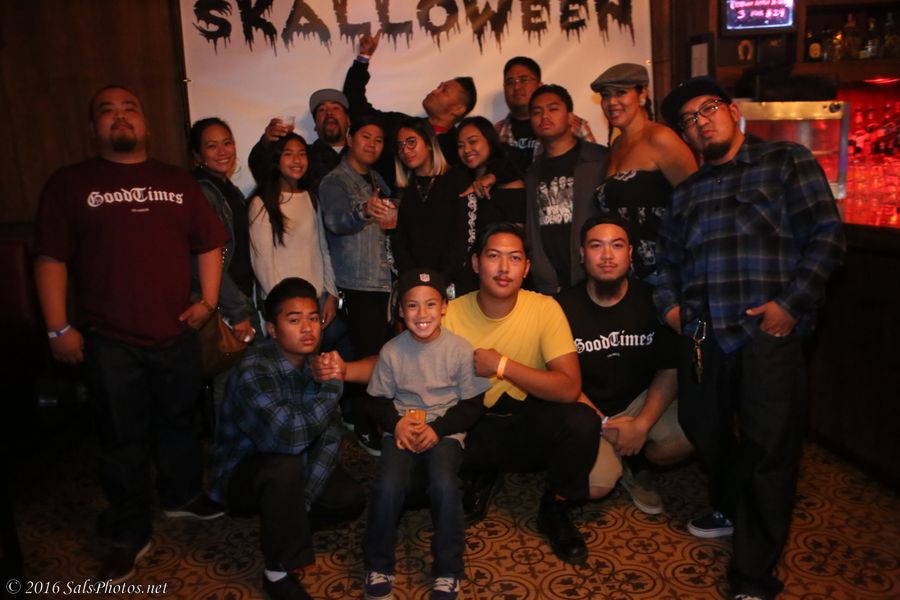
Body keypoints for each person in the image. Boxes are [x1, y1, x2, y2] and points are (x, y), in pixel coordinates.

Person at [656, 77, 845, 600]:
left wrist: (790, 304)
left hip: (767, 333)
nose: (701, 123)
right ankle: (732, 503)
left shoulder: (785, 161)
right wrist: (670, 307)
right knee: (701, 426)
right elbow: (665, 261)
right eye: (689, 120)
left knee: (768, 450)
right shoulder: (687, 191)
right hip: (704, 333)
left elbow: (827, 235)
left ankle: (752, 574)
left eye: (708, 110)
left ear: (733, 111)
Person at [33, 85, 229, 583]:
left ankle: (182, 495)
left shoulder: (177, 182)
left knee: (181, 422)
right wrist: (57, 327)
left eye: (129, 109)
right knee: (121, 439)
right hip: (109, 339)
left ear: (146, 125)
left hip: (176, 331)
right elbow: (50, 258)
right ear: (93, 127)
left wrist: (208, 303)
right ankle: (129, 531)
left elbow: (209, 244)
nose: (120, 117)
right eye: (108, 111)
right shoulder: (70, 183)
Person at [442, 222, 601, 565]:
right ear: (476, 263)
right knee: (412, 484)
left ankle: (555, 508)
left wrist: (502, 365)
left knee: (582, 421)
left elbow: (569, 387)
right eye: (493, 256)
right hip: (470, 427)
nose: (504, 268)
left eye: (514, 258)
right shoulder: (449, 314)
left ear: (527, 267)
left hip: (524, 424)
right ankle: (482, 475)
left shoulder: (544, 308)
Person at [210, 277, 366, 600]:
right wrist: (333, 386)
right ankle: (277, 571)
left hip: (293, 465)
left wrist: (302, 500)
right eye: (294, 320)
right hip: (241, 475)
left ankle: (286, 520)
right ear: (272, 329)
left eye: (313, 318)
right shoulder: (255, 369)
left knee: (350, 497)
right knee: (284, 466)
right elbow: (290, 440)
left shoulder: (313, 364)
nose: (307, 329)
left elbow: (330, 437)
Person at [362, 268, 489, 600]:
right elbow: (375, 400)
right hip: (401, 429)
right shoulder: (391, 351)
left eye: (431, 304)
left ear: (444, 307)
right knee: (388, 485)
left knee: (444, 484)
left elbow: (473, 404)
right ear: (401, 311)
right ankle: (378, 565)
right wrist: (396, 424)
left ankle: (448, 570)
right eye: (412, 305)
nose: (422, 314)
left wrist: (439, 429)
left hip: (445, 430)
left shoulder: (459, 350)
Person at [557, 215, 692, 516]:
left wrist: (642, 424)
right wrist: (604, 426)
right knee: (594, 486)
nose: (607, 255)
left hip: (641, 402)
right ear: (582, 254)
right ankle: (620, 455)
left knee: (694, 432)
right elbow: (561, 382)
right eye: (596, 246)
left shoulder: (654, 301)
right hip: (588, 408)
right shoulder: (561, 308)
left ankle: (636, 460)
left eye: (617, 246)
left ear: (630, 253)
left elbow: (669, 370)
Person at [319, 115, 394, 453]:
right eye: (366, 136)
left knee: (378, 356)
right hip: (356, 283)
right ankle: (366, 429)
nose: (372, 144)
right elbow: (336, 221)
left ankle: (360, 418)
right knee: (368, 359)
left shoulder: (377, 178)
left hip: (381, 281)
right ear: (349, 138)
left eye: (379, 139)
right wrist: (364, 210)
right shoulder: (335, 181)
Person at [590, 63, 698, 284]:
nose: (612, 102)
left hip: (666, 273)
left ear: (642, 94)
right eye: (606, 95)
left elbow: (698, 204)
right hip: (626, 275)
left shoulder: (660, 138)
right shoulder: (616, 145)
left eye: (621, 92)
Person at [343, 30, 477, 185]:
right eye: (438, 87)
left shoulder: (459, 148)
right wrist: (363, 57)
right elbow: (356, 107)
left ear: (458, 109)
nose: (435, 91)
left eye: (444, 90)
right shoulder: (401, 125)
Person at [248, 132, 338, 329]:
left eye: (302, 153)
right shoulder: (261, 203)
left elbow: (322, 250)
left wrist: (331, 294)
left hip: (315, 300)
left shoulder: (310, 198)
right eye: (288, 154)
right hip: (282, 306)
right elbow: (262, 262)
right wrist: (282, 306)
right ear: (276, 159)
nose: (297, 160)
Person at [525, 84, 608, 295]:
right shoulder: (531, 172)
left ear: (570, 117)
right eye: (537, 112)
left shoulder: (599, 160)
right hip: (549, 284)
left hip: (594, 278)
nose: (544, 116)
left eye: (553, 109)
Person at [189, 117, 256, 343]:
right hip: (224, 303)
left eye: (227, 143)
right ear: (197, 155)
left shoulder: (228, 189)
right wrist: (236, 310)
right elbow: (207, 258)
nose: (222, 151)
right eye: (211, 146)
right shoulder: (202, 193)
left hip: (238, 296)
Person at [391, 118, 472, 295]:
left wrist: (440, 280)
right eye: (400, 145)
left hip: (454, 285)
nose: (405, 150)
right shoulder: (401, 190)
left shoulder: (457, 180)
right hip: (414, 287)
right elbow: (398, 242)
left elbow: (464, 237)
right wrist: (413, 280)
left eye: (411, 142)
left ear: (428, 143)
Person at [494, 56, 595, 172]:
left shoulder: (573, 125)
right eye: (510, 82)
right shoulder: (495, 133)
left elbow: (594, 168)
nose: (516, 87)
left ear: (539, 85)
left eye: (524, 80)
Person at [248, 89, 351, 192]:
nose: (329, 112)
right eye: (322, 110)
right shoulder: (303, 157)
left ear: (348, 120)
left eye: (335, 108)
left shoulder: (358, 155)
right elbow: (262, 171)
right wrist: (266, 142)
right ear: (315, 125)